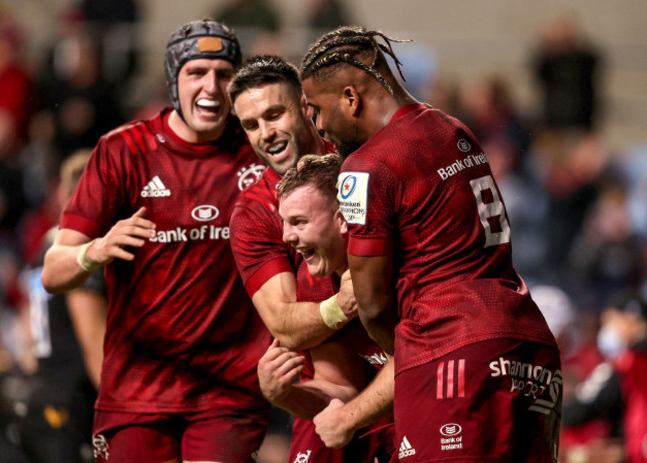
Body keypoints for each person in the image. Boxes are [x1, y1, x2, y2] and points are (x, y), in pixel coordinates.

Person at [300, 26, 561, 462]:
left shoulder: (364, 167)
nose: (320, 127)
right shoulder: (454, 128)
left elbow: (372, 302)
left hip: (453, 354)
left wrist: (406, 351)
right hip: (530, 346)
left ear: (350, 97)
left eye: (317, 109)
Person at [40, 19, 272, 463]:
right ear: (173, 80)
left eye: (224, 74)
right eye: (196, 72)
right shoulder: (122, 151)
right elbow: (53, 271)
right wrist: (96, 250)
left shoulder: (260, 152)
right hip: (137, 392)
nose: (212, 85)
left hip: (228, 392)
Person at [227, 55, 369, 463]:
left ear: (305, 107)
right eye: (251, 125)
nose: (265, 133)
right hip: (331, 392)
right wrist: (341, 306)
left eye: (274, 114)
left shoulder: (360, 164)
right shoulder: (254, 212)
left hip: (406, 368)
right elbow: (285, 325)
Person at [264, 154, 396, 458]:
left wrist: (350, 418)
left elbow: (419, 357)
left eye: (299, 222)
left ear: (343, 220)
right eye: (285, 224)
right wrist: (284, 393)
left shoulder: (398, 270)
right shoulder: (315, 280)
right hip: (396, 411)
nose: (287, 236)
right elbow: (340, 388)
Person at [0, 150, 106, 463]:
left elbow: (27, 328)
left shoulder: (47, 245)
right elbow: (93, 341)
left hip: (43, 388)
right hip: (74, 397)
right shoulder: (80, 252)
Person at [562, 289, 647, 463]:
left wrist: (550, 416)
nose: (606, 329)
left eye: (609, 321)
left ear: (629, 319)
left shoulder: (628, 364)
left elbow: (585, 407)